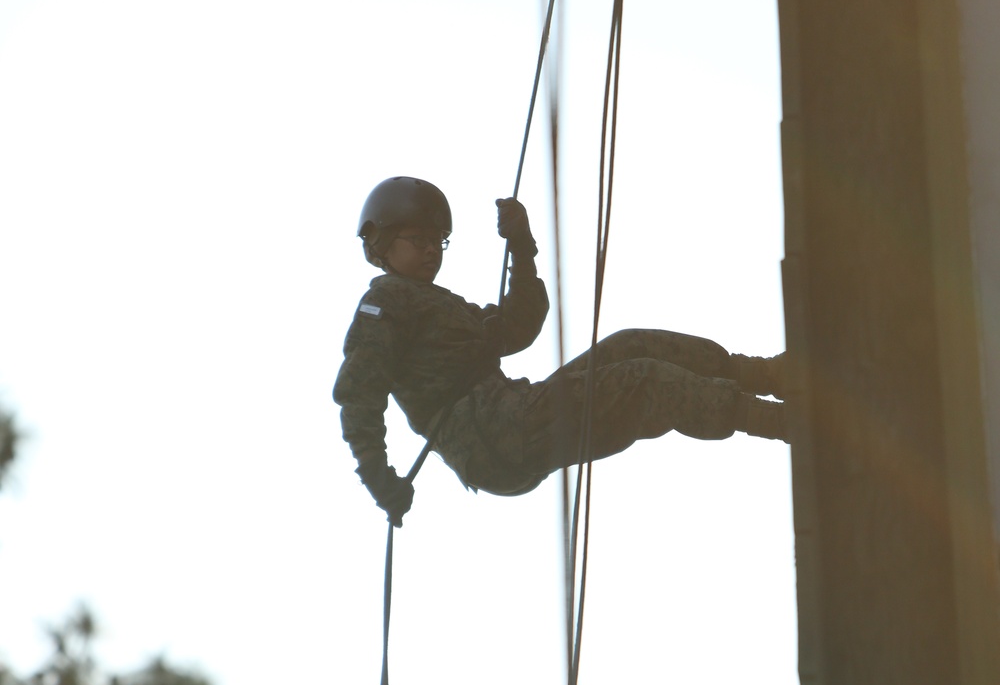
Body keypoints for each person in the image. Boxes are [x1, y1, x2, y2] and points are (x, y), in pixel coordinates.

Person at [334, 176, 787, 526]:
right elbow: (359, 394)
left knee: (631, 346)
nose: (433, 251)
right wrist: (376, 474)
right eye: (419, 240)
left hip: (509, 422)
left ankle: (766, 377)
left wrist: (521, 248)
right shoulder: (385, 304)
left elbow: (518, 326)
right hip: (492, 435)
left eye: (439, 242)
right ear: (381, 245)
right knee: (644, 378)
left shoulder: (442, 307)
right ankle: (775, 421)